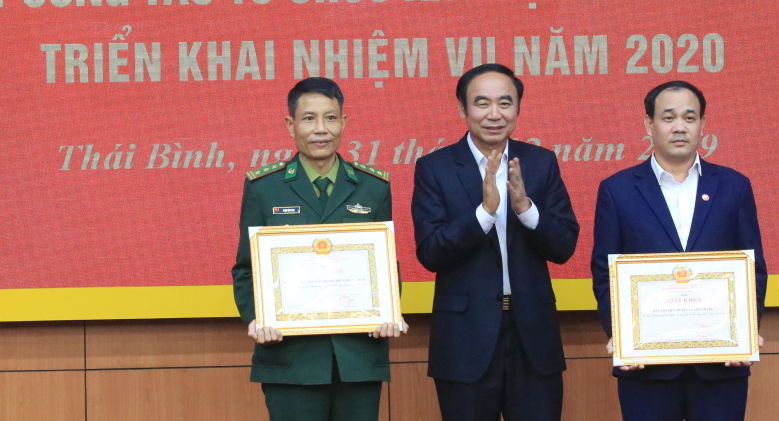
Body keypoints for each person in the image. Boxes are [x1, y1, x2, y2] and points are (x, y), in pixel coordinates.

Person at [411, 63, 580, 421]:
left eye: (505, 103)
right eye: (482, 103)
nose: (494, 114)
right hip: (465, 337)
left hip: (533, 334)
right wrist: (484, 214)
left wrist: (526, 210)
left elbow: (564, 246)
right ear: (463, 108)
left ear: (517, 108)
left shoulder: (540, 162)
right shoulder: (435, 168)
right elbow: (430, 252)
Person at [231, 77, 406, 421]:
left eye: (330, 118)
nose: (321, 129)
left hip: (358, 357)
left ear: (344, 122)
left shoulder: (373, 186)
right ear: (291, 125)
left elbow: (387, 263)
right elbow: (245, 268)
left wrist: (389, 310)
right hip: (291, 358)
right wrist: (258, 318)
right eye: (309, 118)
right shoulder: (264, 188)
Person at [591, 80, 767, 421]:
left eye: (689, 117)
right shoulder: (617, 190)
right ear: (649, 124)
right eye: (668, 117)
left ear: (702, 124)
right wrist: (621, 336)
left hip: (721, 364)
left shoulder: (734, 186)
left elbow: (753, 268)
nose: (680, 127)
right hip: (646, 367)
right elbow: (604, 272)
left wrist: (745, 332)